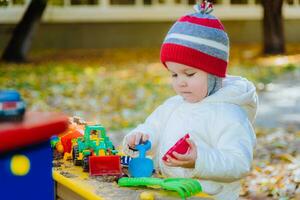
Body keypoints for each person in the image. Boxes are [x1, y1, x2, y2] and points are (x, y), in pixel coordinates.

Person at [122, 1, 258, 199]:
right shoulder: (174, 105)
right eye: (174, 75)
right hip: (170, 189)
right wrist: (140, 138)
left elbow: (239, 162)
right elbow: (153, 127)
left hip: (207, 196)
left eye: (189, 74)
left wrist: (199, 160)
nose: (181, 83)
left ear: (214, 74)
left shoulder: (229, 114)